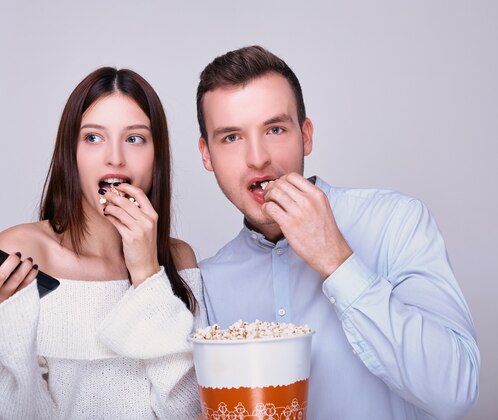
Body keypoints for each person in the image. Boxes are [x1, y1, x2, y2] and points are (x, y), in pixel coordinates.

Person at [195, 45, 480, 420]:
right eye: (231, 137)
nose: (258, 158)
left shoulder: (395, 222)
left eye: (275, 129)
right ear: (206, 155)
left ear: (306, 135)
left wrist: (337, 261)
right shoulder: (207, 282)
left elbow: (457, 392)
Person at [0, 67, 206, 419]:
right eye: (93, 138)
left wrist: (147, 274)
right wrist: (7, 329)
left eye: (135, 138)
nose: (115, 157)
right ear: (69, 152)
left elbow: (189, 413)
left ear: (157, 155)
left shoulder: (180, 259)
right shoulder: (25, 250)